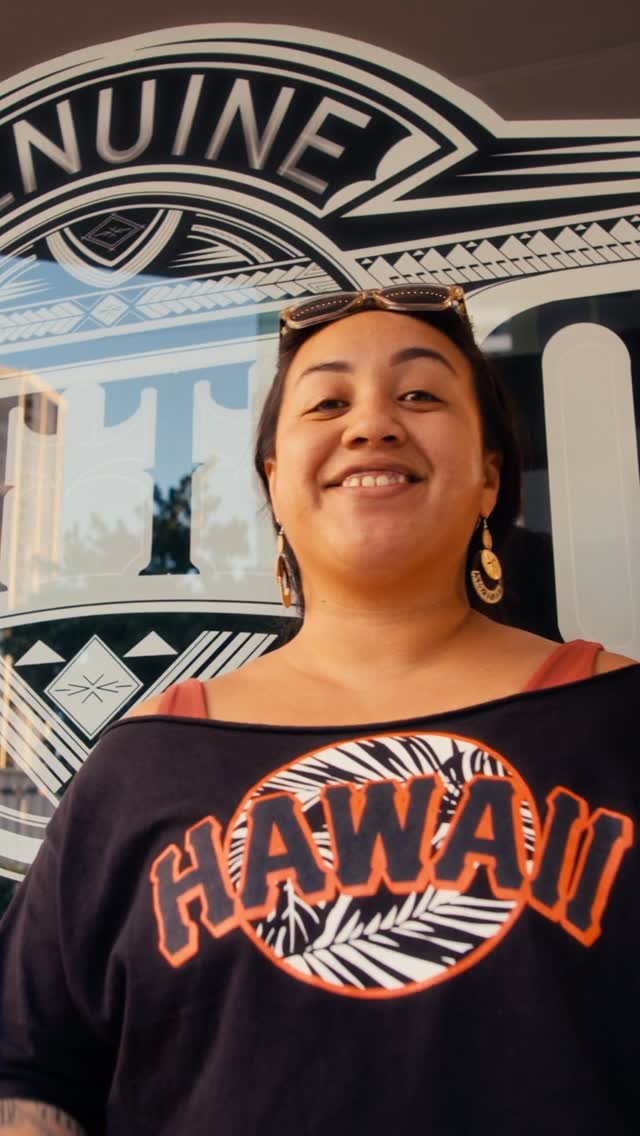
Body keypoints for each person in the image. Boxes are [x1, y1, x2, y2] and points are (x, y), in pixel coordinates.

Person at [0, 284, 638, 1136]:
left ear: (490, 476)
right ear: (274, 480)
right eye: (328, 402)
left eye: (420, 394)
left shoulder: (619, 717)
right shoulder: (144, 760)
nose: (371, 424)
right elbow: (28, 1067)